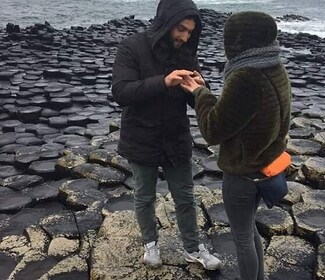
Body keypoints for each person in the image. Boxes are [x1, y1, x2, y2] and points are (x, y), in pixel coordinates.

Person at [180, 11, 291, 280]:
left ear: (238, 40)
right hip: (266, 166)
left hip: (243, 172)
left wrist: (199, 93)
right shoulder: (275, 67)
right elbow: (240, 113)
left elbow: (213, 130)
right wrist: (206, 92)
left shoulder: (245, 75)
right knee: (248, 230)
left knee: (242, 237)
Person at [111, 0, 221, 270]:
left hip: (175, 137)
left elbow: (197, 103)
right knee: (144, 196)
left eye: (190, 32)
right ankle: (151, 245)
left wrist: (201, 90)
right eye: (181, 29)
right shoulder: (132, 46)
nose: (185, 37)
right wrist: (164, 82)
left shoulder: (186, 52)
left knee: (185, 196)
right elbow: (121, 92)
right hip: (141, 135)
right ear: (165, 22)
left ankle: (193, 249)